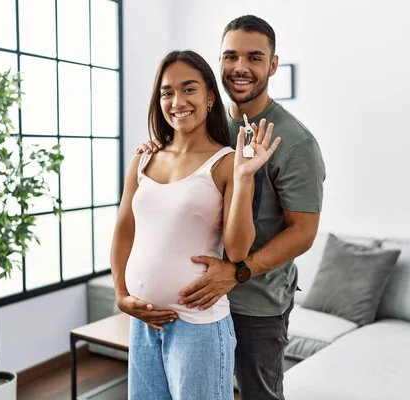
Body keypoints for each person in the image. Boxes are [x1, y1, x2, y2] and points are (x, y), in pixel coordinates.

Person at [136, 15, 326, 400]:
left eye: (254, 58)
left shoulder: (295, 142)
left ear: (272, 65)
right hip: (194, 304)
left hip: (256, 303)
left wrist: (236, 273)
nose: (240, 67)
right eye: (230, 56)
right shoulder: (208, 124)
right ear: (217, 64)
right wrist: (158, 147)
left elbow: (303, 232)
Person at [110, 49, 280, 400]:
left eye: (189, 89)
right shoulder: (144, 158)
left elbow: (236, 250)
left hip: (197, 327)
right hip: (145, 324)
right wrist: (121, 295)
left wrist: (246, 177)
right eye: (167, 92)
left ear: (209, 97)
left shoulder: (227, 162)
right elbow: (124, 229)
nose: (177, 101)